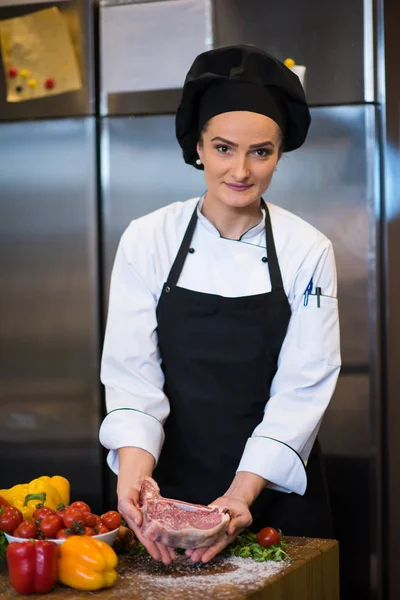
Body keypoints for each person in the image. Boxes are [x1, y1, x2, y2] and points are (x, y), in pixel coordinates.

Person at [99, 45, 341, 566]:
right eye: (224, 148)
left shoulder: (307, 250)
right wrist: (135, 478)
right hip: (165, 490)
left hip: (272, 492)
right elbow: (132, 378)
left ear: (279, 154)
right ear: (199, 149)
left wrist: (241, 494)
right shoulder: (148, 239)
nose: (240, 170)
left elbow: (304, 386)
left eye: (261, 152)